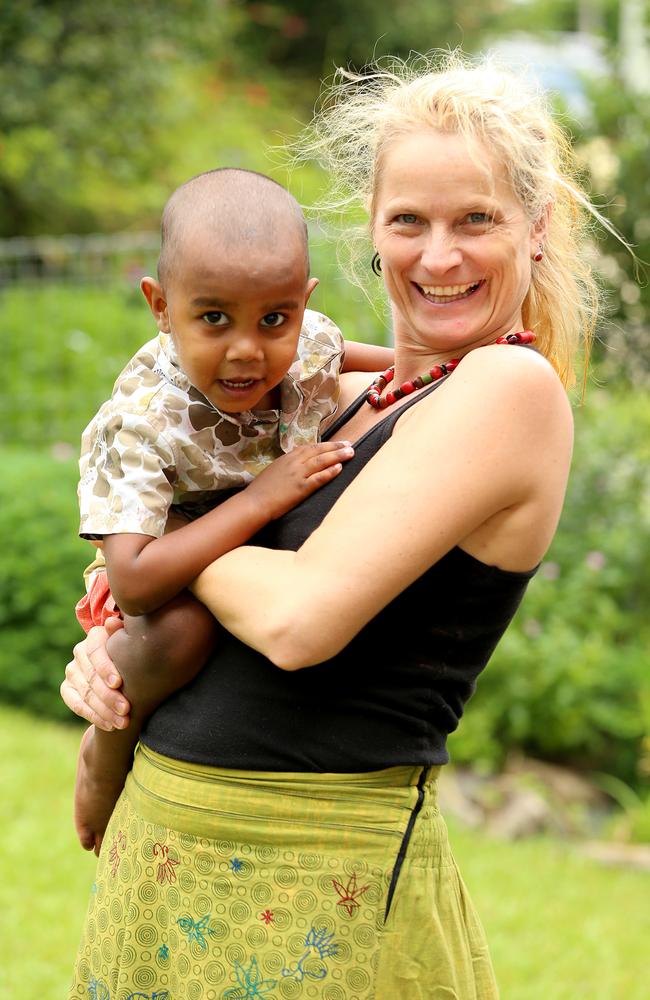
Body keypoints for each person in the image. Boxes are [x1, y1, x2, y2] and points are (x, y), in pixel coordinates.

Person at [62, 51, 610, 999]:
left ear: (537, 230)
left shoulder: (508, 389)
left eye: (475, 219)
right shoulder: (336, 399)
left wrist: (159, 554)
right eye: (410, 221)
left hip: (315, 888)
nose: (438, 256)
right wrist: (113, 648)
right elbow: (192, 573)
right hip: (166, 853)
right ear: (372, 231)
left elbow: (297, 620)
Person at [72, 166, 394, 854]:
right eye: (213, 317)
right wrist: (262, 497)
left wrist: (455, 370)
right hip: (159, 565)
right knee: (184, 634)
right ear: (160, 306)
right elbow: (133, 580)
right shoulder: (141, 424)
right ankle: (103, 755)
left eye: (275, 318)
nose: (248, 350)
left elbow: (370, 362)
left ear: (302, 304)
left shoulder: (303, 342)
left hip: (249, 544)